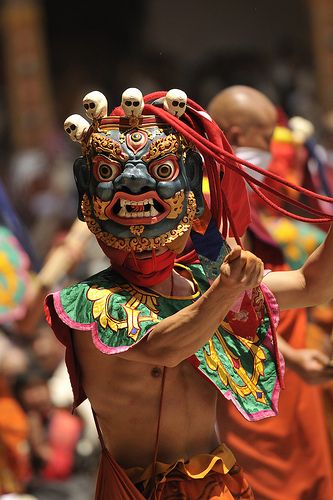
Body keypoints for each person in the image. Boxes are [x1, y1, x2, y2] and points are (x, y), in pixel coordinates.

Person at [44, 88, 333, 499]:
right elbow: (166, 346)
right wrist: (228, 288)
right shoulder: (88, 302)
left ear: (190, 187)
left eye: (161, 173)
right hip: (141, 489)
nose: (136, 187)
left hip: (221, 484)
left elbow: (312, 284)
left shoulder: (203, 278)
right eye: (111, 174)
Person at [208, 85, 333, 499]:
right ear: (238, 136)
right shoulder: (206, 208)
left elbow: (307, 287)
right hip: (249, 377)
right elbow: (219, 304)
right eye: (266, 139)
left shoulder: (238, 196)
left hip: (283, 369)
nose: (271, 153)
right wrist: (292, 357)